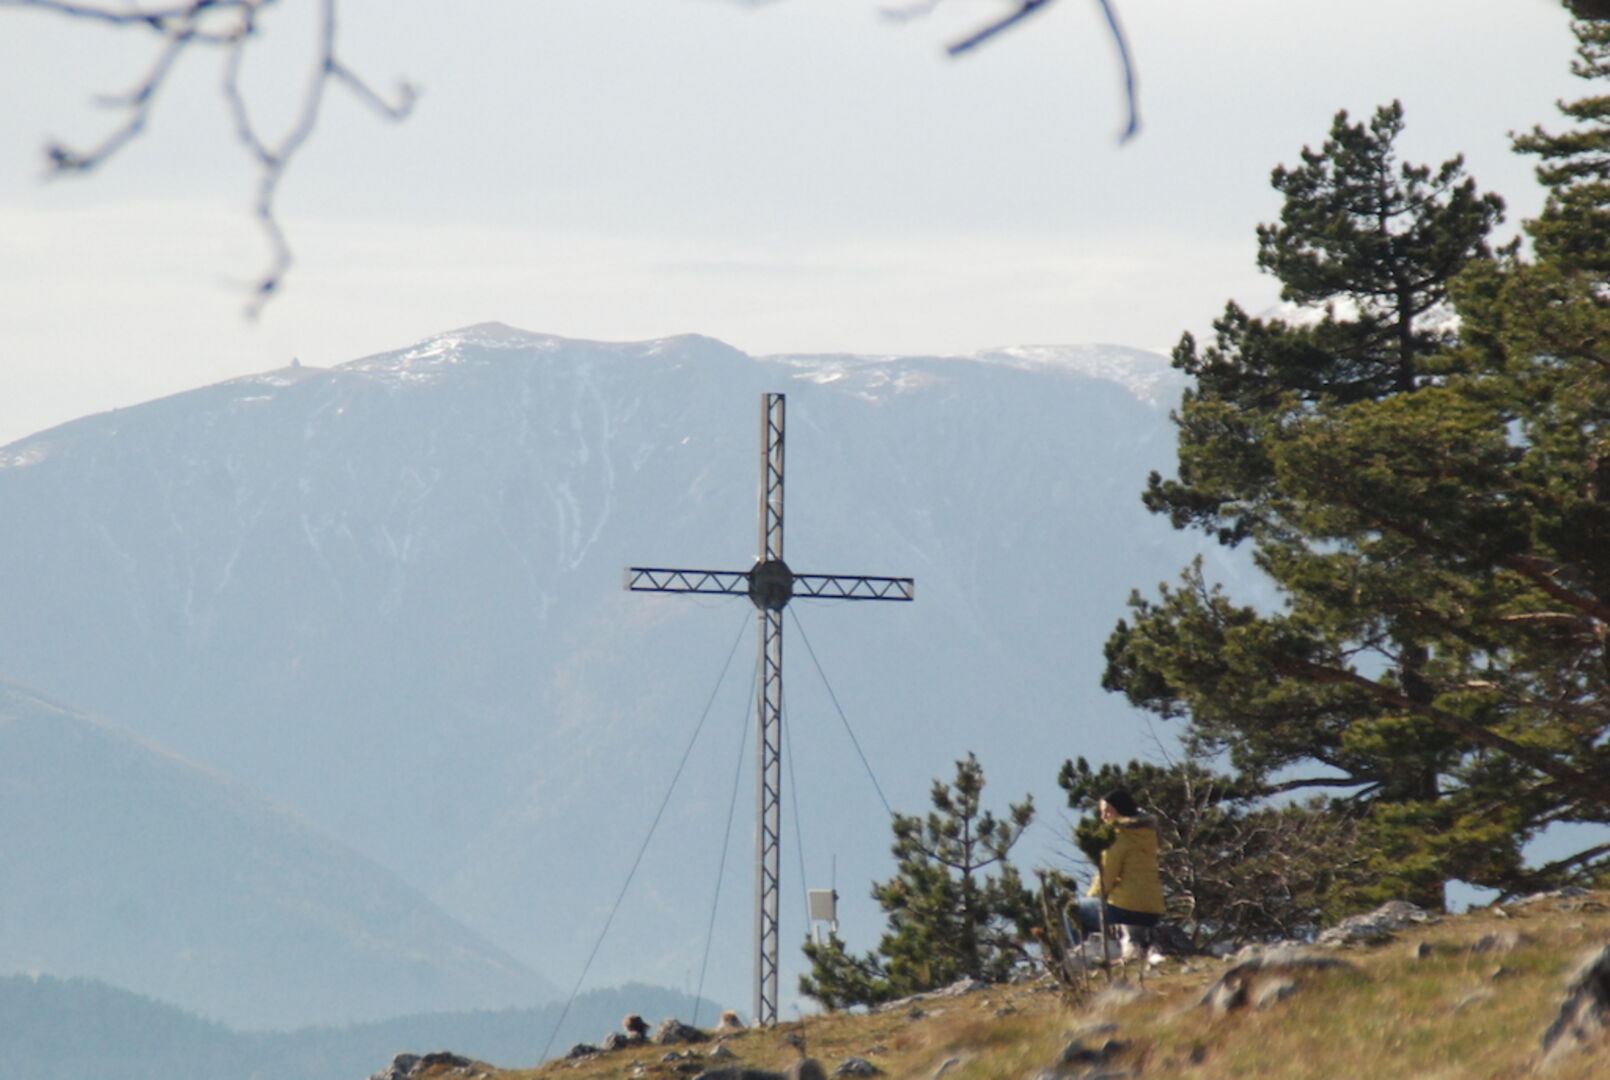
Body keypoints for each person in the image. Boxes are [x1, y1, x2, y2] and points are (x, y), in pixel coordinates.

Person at [1073, 788, 1164, 949]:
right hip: (1153, 911)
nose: (1103, 817)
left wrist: (1091, 898)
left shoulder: (1117, 836)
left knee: (1074, 909)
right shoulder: (1147, 834)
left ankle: (1082, 953)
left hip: (1126, 909)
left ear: (1120, 810)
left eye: (1107, 811)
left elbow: (1105, 878)